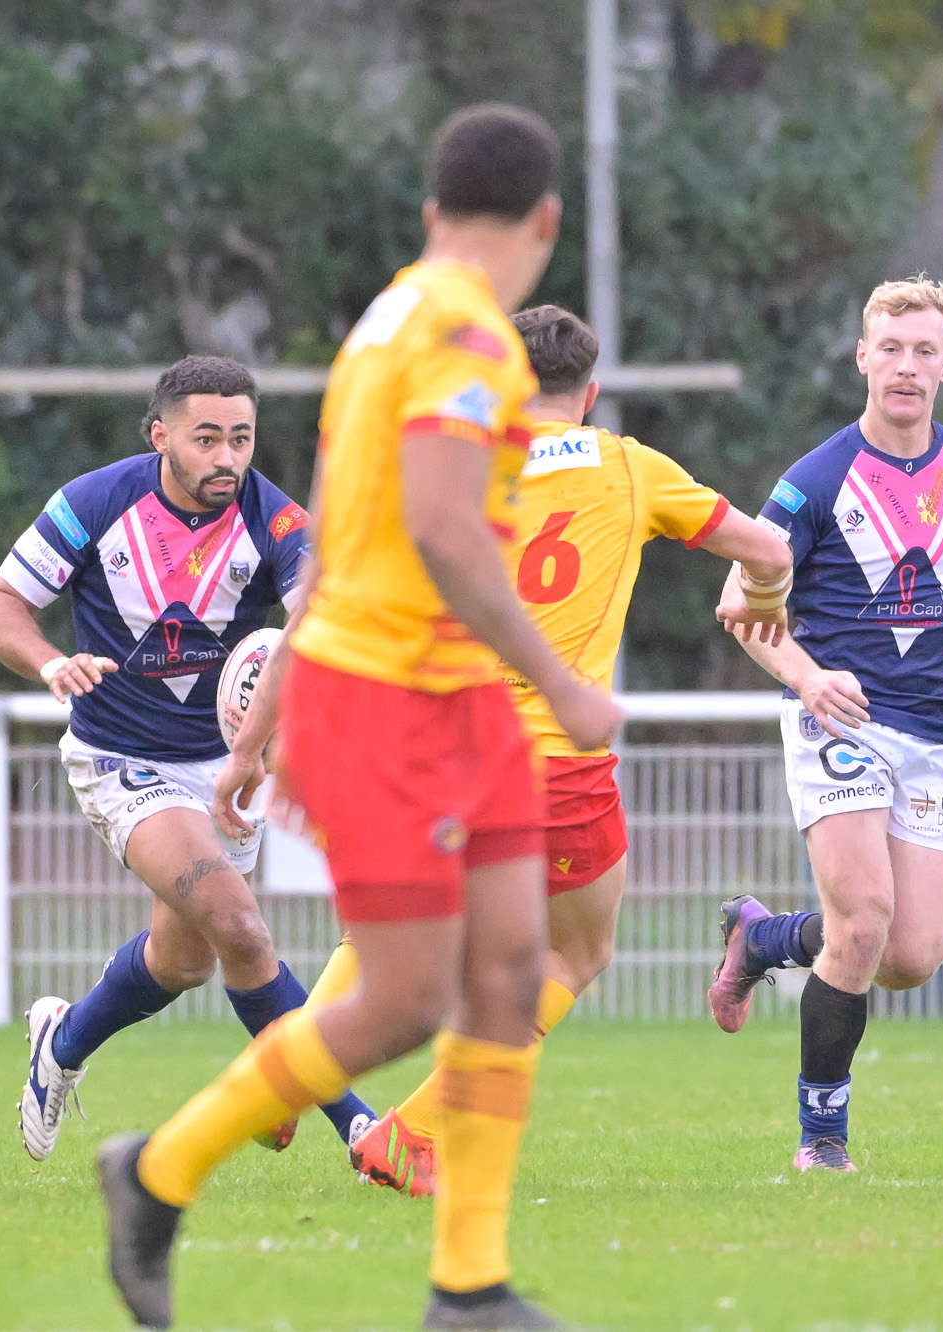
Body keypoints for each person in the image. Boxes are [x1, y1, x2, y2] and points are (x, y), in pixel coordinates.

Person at [99, 104, 619, 1332]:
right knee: (401, 1001)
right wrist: (558, 681)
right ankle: (157, 1173)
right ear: (547, 221)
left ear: (432, 210)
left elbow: (329, 542)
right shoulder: (465, 338)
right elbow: (439, 529)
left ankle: (467, 1286)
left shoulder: (387, 317)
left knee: (510, 973)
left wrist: (257, 729)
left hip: (446, 695)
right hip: (392, 698)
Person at [336, 304, 795, 1196]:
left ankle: (289, 1078)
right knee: (573, 957)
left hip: (442, 750)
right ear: (589, 394)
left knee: (395, 931)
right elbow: (768, 549)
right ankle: (412, 1132)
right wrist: (764, 603)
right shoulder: (629, 467)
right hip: (555, 764)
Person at [0, 355, 375, 1166]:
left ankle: (62, 1042)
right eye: (206, 439)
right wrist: (51, 663)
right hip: (120, 759)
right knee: (241, 929)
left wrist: (267, 743)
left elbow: (318, 633)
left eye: (242, 439)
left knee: (183, 961)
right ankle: (362, 1130)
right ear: (160, 435)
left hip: (227, 768)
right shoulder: (92, 503)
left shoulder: (278, 522)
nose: (227, 458)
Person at [706, 276, 943, 1173]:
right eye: (891, 349)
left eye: (925, 351)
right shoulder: (816, 480)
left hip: (929, 730)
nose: (907, 367)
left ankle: (766, 938)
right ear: (862, 358)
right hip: (837, 721)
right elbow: (738, 599)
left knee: (910, 955)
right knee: (862, 923)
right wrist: (808, 677)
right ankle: (823, 1140)